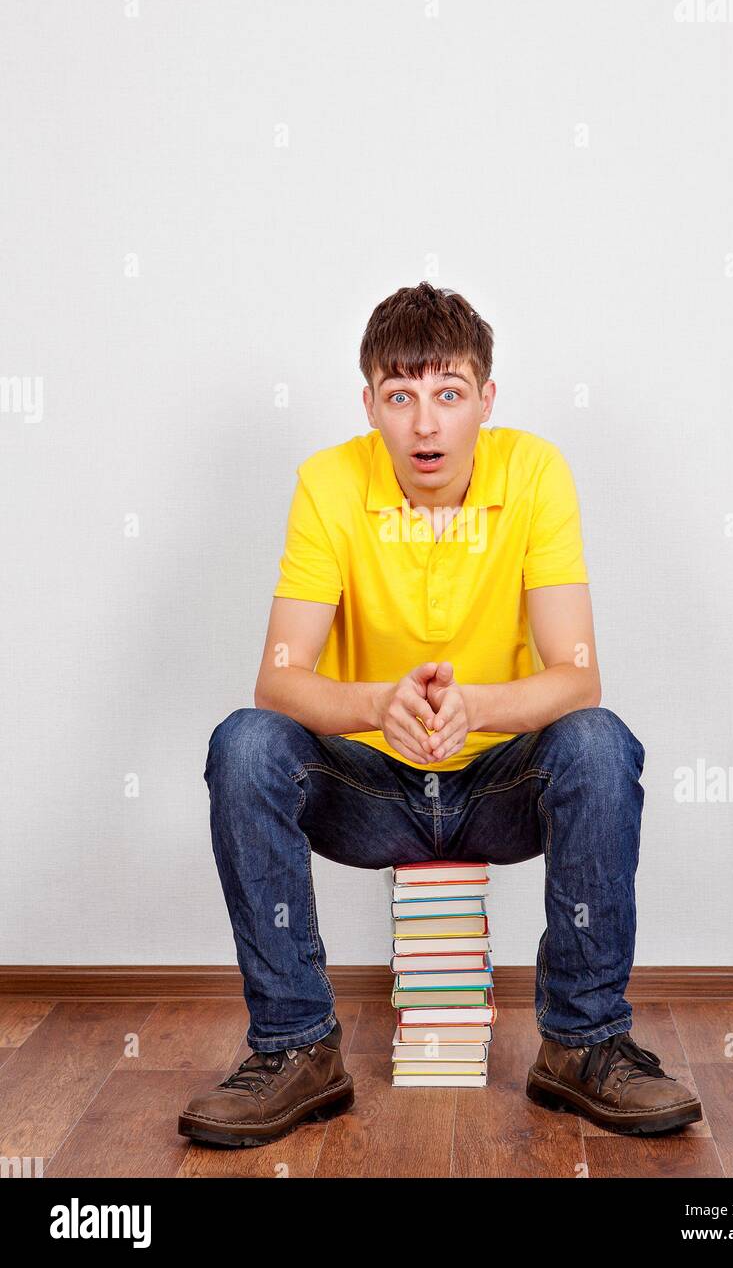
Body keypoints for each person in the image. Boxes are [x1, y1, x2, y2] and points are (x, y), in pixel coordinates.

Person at [178, 281, 702, 1146]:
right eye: (402, 396)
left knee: (600, 745)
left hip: (499, 782)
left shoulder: (535, 472)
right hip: (372, 786)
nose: (426, 424)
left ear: (485, 401)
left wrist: (479, 709)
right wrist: (379, 708)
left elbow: (578, 676)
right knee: (244, 744)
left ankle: (582, 1042)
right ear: (371, 405)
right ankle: (295, 1047)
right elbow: (279, 680)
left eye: (449, 395)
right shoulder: (328, 482)